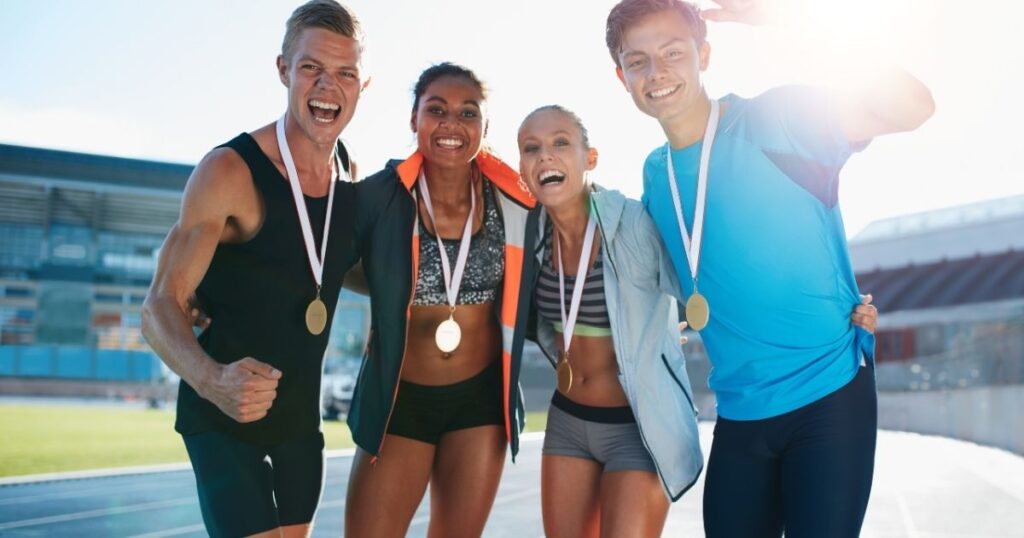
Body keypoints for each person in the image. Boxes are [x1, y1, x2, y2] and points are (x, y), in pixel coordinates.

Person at [605, 0, 933, 536]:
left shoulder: (779, 118)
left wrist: (796, 20)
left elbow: (914, 107)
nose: (656, 72)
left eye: (672, 53)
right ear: (622, 77)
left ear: (704, 53)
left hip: (827, 395)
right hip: (740, 412)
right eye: (637, 61)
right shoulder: (654, 173)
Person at [513, 105, 878, 538]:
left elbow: (707, 277)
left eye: (560, 143)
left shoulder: (632, 222)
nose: (545, 157)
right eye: (531, 148)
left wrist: (833, 309)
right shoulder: (527, 233)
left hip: (637, 426)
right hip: (567, 422)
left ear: (589, 157)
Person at [141, 2, 368, 536]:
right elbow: (158, 307)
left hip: (298, 422)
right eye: (311, 67)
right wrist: (212, 379)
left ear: (363, 84)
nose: (327, 87)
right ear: (284, 69)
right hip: (223, 418)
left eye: (345, 73)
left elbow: (331, 269)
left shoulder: (347, 174)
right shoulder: (229, 170)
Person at [344, 62, 536, 538]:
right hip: (400, 399)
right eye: (437, 110)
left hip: (480, 402)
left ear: (484, 126)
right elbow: (319, 263)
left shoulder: (514, 199)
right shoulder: (380, 196)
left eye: (468, 113)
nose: (452, 124)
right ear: (414, 119)